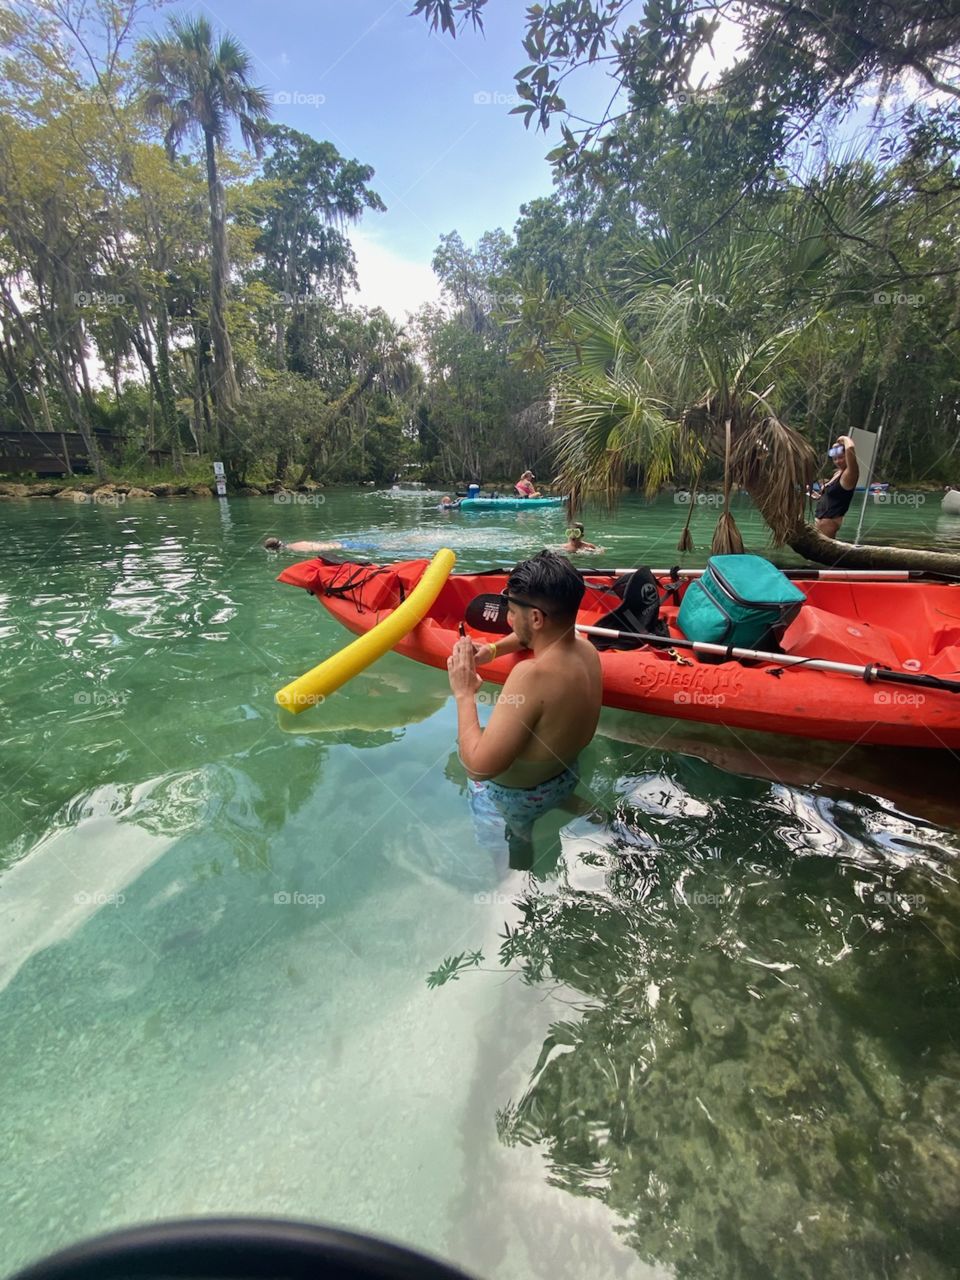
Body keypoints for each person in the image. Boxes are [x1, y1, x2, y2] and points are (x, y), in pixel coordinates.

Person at [447, 550, 602, 858]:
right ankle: (571, 804)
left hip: (518, 799)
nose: (507, 618)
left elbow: (479, 768)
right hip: (564, 777)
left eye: (511, 612)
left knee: (504, 841)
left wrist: (464, 693)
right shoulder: (588, 651)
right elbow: (533, 637)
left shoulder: (531, 675)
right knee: (546, 780)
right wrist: (491, 650)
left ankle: (520, 851)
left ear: (535, 618)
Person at [814, 435, 859, 538]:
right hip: (819, 522)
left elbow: (850, 448)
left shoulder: (850, 474)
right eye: (835, 459)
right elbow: (833, 496)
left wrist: (843, 438)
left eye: (841, 457)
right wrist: (819, 496)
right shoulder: (837, 473)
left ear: (847, 457)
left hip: (829, 524)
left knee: (824, 553)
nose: (838, 461)